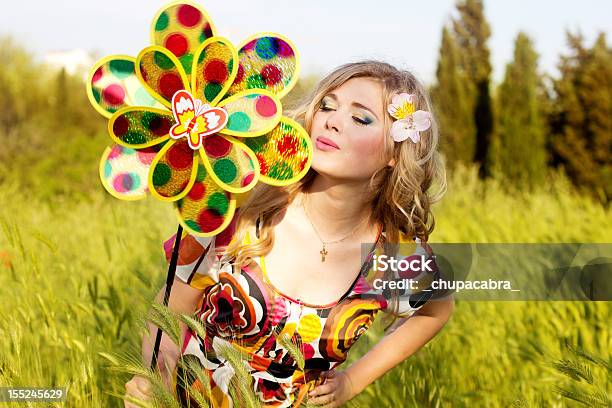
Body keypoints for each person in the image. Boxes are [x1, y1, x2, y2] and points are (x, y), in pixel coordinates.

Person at [125, 60, 454, 407]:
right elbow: (171, 309)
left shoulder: (392, 257)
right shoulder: (240, 214)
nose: (331, 121)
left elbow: (436, 310)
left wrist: (352, 382)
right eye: (327, 105)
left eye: (360, 118)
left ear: (394, 152)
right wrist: (154, 381)